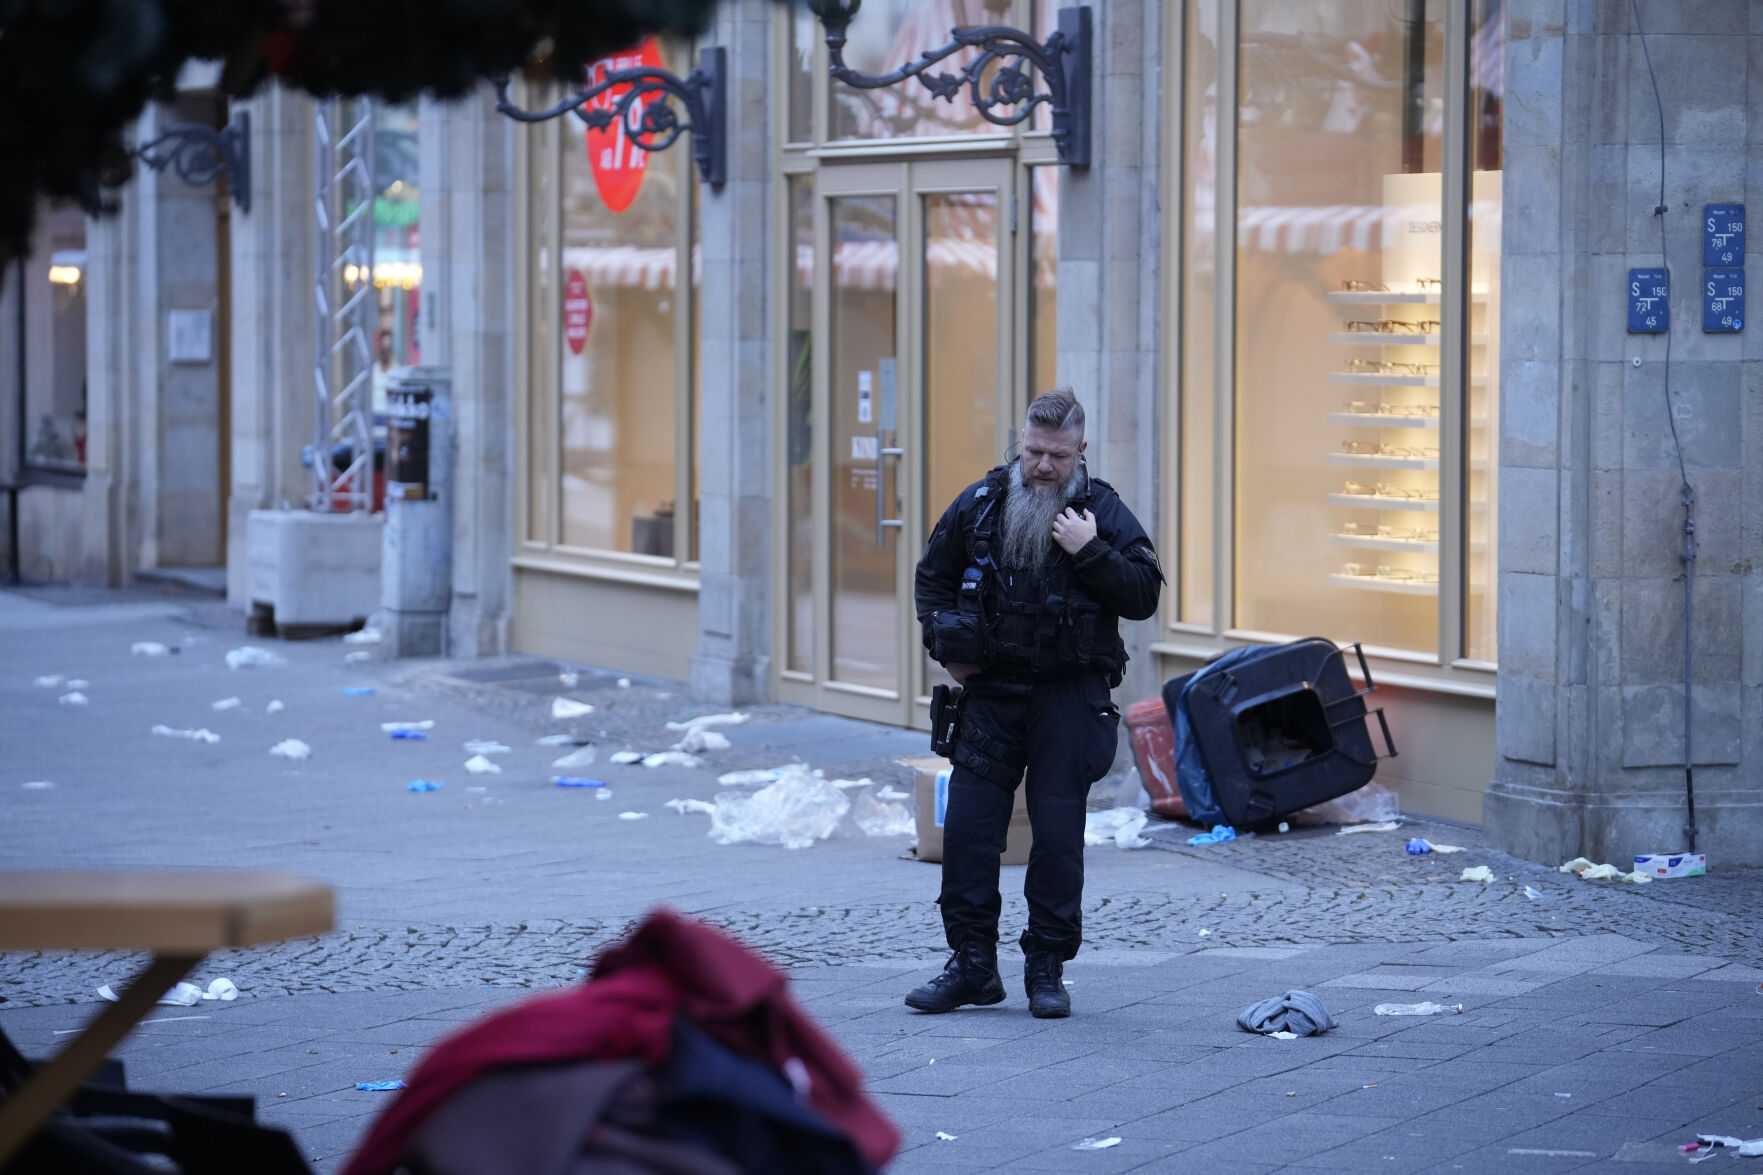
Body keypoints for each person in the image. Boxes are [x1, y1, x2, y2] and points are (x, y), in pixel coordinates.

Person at [907, 388, 1164, 1018]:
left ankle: (1045, 968)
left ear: (1080, 450)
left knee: (1056, 839)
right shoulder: (981, 502)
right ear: (1019, 443)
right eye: (1032, 452)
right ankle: (972, 966)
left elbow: (1142, 594)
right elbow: (931, 579)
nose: (1042, 466)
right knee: (967, 834)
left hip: (1068, 699)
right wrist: (947, 648)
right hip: (991, 694)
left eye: (1055, 455)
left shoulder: (1101, 510)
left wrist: (1091, 550)